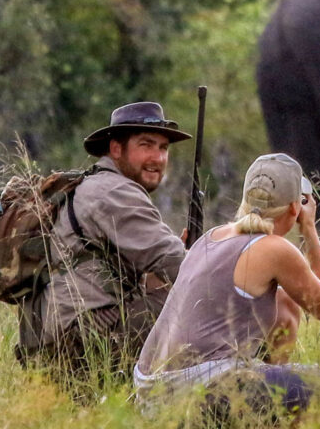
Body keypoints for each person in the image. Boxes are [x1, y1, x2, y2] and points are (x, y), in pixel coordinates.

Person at [135, 153, 320, 418]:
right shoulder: (275, 248)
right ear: (295, 207)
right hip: (203, 388)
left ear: (246, 200)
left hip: (150, 396)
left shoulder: (209, 238)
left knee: (285, 302)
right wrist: (309, 230)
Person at [15, 101, 191, 396]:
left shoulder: (90, 185)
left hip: (49, 347)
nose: (157, 157)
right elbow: (173, 261)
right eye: (146, 145)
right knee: (196, 304)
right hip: (78, 345)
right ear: (116, 149)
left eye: (163, 148)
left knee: (166, 292)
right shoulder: (114, 190)